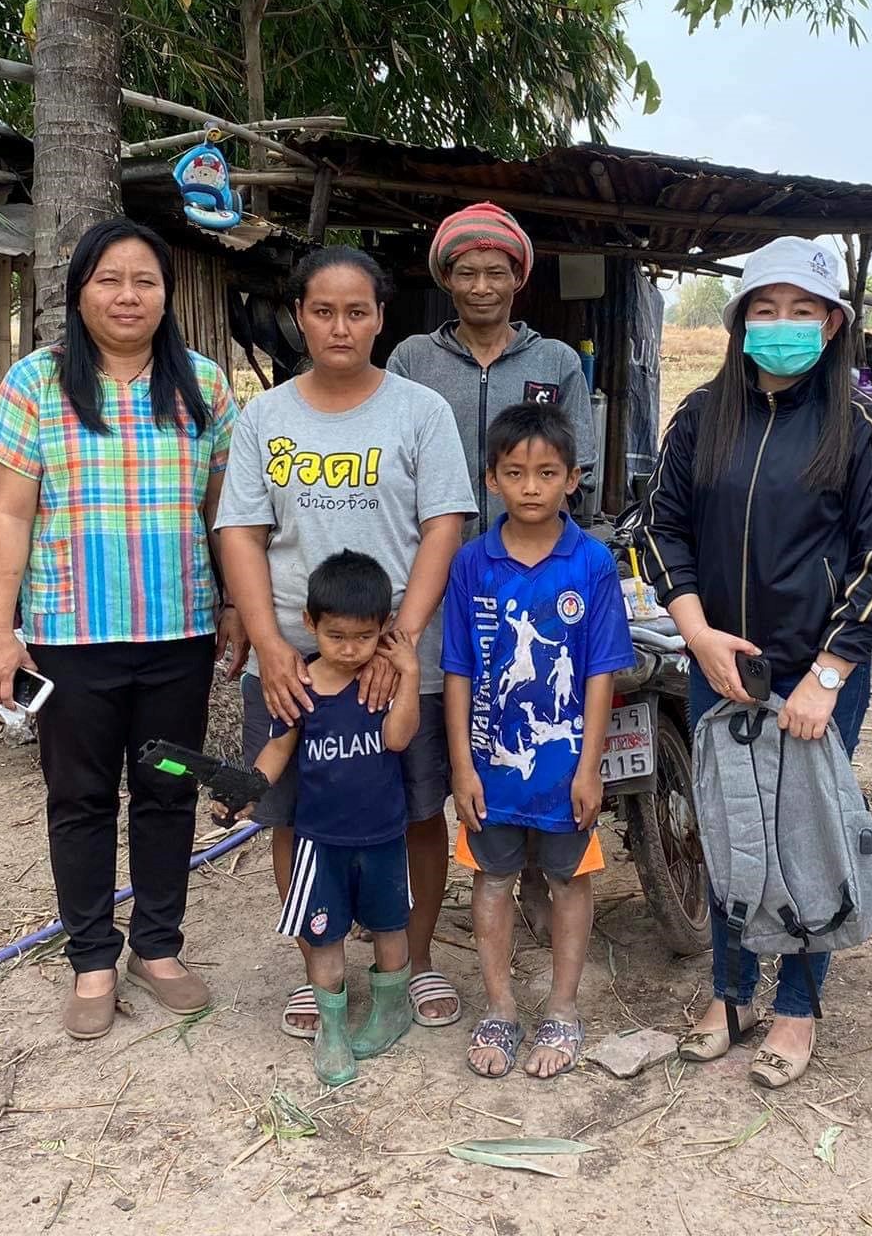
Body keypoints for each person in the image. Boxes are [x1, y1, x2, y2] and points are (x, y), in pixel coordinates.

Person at [638, 235, 872, 1089]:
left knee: (806, 835)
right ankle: (730, 994)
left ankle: (798, 1004)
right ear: (740, 322)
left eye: (802, 310)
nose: (783, 324)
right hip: (719, 663)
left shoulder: (859, 424)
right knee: (727, 828)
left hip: (815, 673)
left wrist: (828, 674)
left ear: (832, 325)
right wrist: (697, 633)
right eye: (766, 308)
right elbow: (660, 527)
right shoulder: (701, 415)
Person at [0, 218, 245, 1040]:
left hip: (178, 637)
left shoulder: (203, 385)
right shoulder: (36, 382)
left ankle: (157, 948)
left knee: (167, 789)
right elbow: (8, 515)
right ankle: (92, 957)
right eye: (109, 280)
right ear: (80, 291)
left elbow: (224, 513)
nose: (128, 296)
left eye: (145, 281)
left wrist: (235, 604)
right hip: (71, 639)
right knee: (80, 798)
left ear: (167, 295)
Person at [213, 247, 477, 1040]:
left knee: (415, 810)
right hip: (295, 657)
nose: (340, 327)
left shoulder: (420, 411)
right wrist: (270, 643)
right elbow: (241, 532)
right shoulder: (265, 417)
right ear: (299, 316)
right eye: (323, 311)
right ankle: (317, 966)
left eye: (357, 311)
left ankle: (415, 960)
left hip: (397, 658)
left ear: (380, 318)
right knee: (293, 813)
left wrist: (405, 636)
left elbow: (444, 524)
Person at [442, 404, 635, 1079]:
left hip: (565, 765)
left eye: (547, 473)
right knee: (491, 878)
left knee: (568, 879)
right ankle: (499, 1007)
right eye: (515, 472)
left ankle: (562, 1007)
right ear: (491, 479)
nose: (531, 487)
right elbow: (458, 668)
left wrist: (590, 767)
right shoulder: (472, 563)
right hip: (490, 763)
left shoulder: (592, 563)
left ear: (573, 479)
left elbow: (602, 672)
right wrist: (462, 765)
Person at [217, 550, 423, 1086]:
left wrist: (409, 672)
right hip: (318, 841)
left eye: (364, 637)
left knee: (390, 927)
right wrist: (246, 789)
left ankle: (392, 1009)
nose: (351, 649)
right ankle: (332, 1030)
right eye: (337, 636)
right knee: (324, 936)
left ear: (383, 628)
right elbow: (276, 751)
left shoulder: (383, 684)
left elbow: (398, 738)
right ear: (310, 623)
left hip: (382, 835)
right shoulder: (300, 686)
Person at [387, 202, 596, 535]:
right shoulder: (412, 359)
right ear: (447, 278)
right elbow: (391, 465)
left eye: (496, 274)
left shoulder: (557, 362)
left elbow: (579, 466)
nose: (481, 288)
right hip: (431, 554)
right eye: (466, 273)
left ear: (517, 278)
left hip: (531, 556)